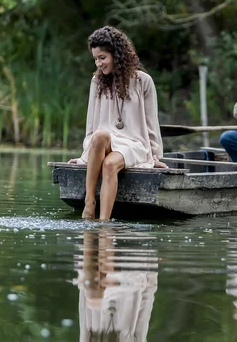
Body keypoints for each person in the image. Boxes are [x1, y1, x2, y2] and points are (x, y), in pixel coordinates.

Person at [68, 26, 168, 220]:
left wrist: (154, 156)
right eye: (96, 59)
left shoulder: (143, 81)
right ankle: (89, 202)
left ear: (117, 54)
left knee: (110, 165)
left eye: (102, 58)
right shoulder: (97, 81)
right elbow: (91, 124)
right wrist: (84, 156)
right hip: (104, 142)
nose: (98, 63)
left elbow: (151, 123)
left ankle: (104, 224)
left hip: (134, 144)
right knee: (99, 135)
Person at [74, 228, 158, 342]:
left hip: (101, 271)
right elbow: (147, 297)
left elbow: (83, 298)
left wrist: (82, 261)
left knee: (92, 293)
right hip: (131, 269)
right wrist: (150, 260)